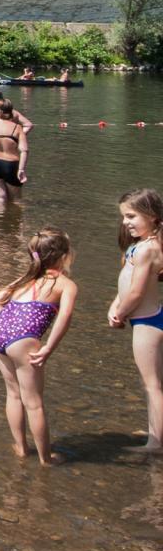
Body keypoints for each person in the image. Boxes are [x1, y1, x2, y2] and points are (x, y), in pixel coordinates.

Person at [0, 227, 77, 466]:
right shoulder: (66, 284)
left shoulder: (27, 278)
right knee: (35, 403)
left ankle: (21, 448)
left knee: (13, 394)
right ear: (65, 256)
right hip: (23, 338)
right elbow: (65, 317)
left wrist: (0, 329)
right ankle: (45, 459)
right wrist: (48, 347)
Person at [107, 187, 163, 453]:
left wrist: (121, 312)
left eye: (131, 216)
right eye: (123, 217)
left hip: (147, 322)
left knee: (152, 385)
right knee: (152, 383)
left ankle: (156, 443)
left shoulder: (147, 249)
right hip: (148, 318)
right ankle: (156, 430)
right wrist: (115, 303)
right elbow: (128, 284)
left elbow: (138, 292)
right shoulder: (142, 245)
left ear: (151, 216)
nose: (125, 222)